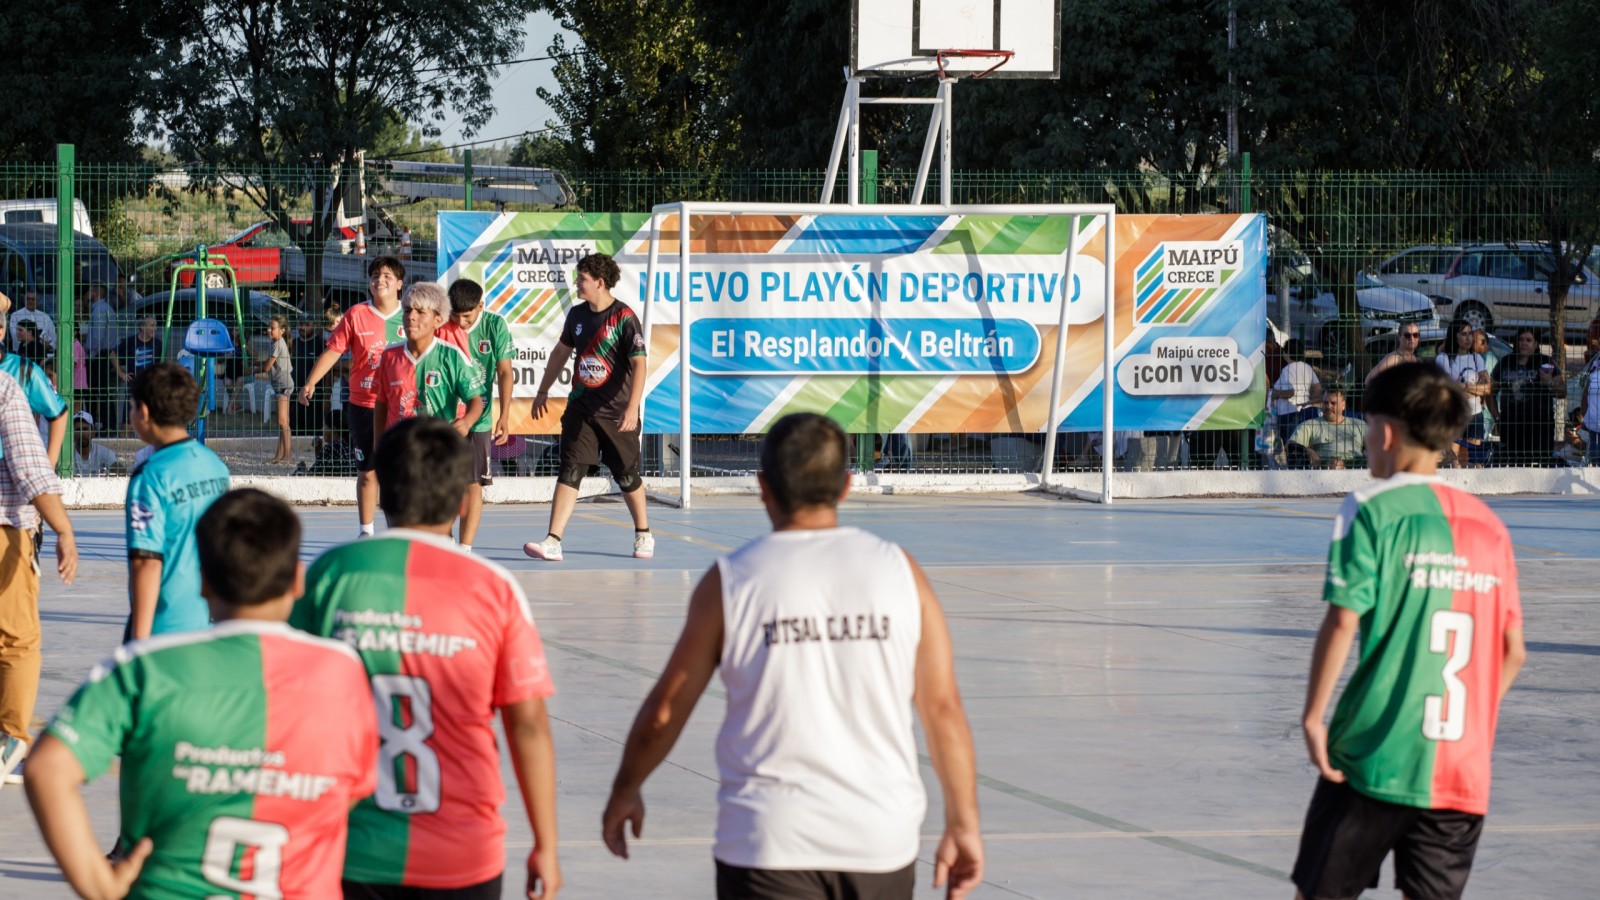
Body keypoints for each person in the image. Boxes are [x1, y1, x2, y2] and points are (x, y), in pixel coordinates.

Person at [602, 412, 984, 900]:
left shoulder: (733, 581)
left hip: (768, 845)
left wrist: (625, 789)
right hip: (879, 843)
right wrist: (964, 822)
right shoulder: (899, 571)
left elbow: (664, 711)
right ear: (845, 487)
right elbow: (943, 710)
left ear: (762, 487)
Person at [25, 488, 379, 898]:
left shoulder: (145, 668)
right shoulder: (342, 671)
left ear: (203, 580)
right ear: (297, 580)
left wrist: (99, 885)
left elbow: (46, 768)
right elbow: (355, 788)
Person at [291, 417, 561, 899]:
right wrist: (546, 842)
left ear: (380, 490)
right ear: (462, 501)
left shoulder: (329, 575)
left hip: (352, 850)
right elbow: (529, 726)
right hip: (465, 853)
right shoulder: (493, 590)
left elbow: (282, 703)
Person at [1293, 361, 1526, 900]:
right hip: (1460, 770)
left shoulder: (1372, 507)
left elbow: (1344, 617)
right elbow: (1513, 651)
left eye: (1368, 424)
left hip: (1375, 753)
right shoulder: (1491, 526)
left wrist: (1312, 717)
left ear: (1388, 432)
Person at [523, 253, 653, 562]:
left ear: (599, 282)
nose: (576, 283)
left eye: (581, 278)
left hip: (616, 412)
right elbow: (559, 353)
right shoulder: (577, 316)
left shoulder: (624, 318)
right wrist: (542, 390)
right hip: (581, 409)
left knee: (626, 476)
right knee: (570, 469)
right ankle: (553, 540)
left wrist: (632, 408)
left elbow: (640, 365)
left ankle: (643, 533)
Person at [0, 368, 78, 792]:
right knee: (17, 639)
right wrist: (64, 529)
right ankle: (9, 738)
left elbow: (59, 411)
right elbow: (29, 471)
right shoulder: (7, 385)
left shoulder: (25, 375)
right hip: (5, 524)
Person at [299, 256, 407, 538]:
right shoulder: (356, 314)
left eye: (386, 275)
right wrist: (311, 382)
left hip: (401, 405)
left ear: (399, 283)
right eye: (374, 275)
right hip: (364, 404)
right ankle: (366, 531)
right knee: (368, 471)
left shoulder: (411, 315)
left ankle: (402, 530)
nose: (379, 280)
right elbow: (334, 351)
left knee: (401, 472)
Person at [125, 362, 231, 641]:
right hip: (209, 620)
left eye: (132, 407)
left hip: (164, 624)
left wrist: (141, 641)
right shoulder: (215, 465)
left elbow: (146, 562)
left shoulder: (150, 476)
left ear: (144, 412)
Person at [437, 278, 516, 552]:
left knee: (473, 485)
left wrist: (504, 415)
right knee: (442, 482)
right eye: (455, 315)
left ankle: (465, 549)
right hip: (444, 417)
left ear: (480, 306)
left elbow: (505, 372)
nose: (460, 322)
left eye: (467, 316)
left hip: (478, 418)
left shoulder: (495, 326)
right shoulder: (439, 327)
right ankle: (444, 541)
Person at [372, 283, 483, 439]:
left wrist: (467, 421)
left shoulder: (452, 356)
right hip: (399, 449)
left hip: (439, 449)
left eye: (420, 312)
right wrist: (378, 445)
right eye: (407, 310)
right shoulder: (389, 356)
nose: (411, 316)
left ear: (437, 320)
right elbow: (381, 403)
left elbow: (475, 400)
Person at [0, 310, 68, 466]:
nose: (17, 333)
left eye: (21, 330)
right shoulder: (24, 348)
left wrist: (49, 464)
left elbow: (59, 412)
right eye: (16, 330)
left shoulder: (25, 368)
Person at [1490, 328, 1561, 467]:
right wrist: (1497, 418)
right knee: (1512, 467)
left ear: (1535, 344)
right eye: (1521, 339)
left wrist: (1550, 382)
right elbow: (1490, 393)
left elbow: (1562, 392)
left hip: (1540, 428)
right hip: (1511, 427)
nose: (1523, 343)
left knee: (1540, 467)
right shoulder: (1505, 362)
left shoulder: (1546, 362)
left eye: (1528, 340)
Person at [1435, 320, 1492, 467]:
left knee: (1474, 463)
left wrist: (1464, 386)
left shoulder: (1476, 358)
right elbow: (1448, 388)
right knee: (1453, 462)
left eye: (1469, 334)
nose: (1468, 338)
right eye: (1463, 334)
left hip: (1475, 414)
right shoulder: (1445, 358)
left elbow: (1487, 388)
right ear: (1454, 336)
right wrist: (1474, 388)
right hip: (1454, 414)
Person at [1287, 386, 1367, 469]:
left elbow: (1376, 445)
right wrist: (1306, 450)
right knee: (1335, 463)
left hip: (1356, 464)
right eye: (1325, 402)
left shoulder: (1359, 425)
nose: (1328, 406)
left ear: (1343, 405)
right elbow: (1289, 445)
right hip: (1326, 465)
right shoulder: (1310, 425)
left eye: (1333, 403)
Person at [1270, 339, 1323, 447]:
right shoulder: (1307, 367)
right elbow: (1318, 387)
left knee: (1292, 446)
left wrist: (1276, 394)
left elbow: (1290, 392)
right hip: (1307, 411)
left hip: (1289, 413)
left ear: (1286, 353)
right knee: (1306, 443)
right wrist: (1310, 401)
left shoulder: (1287, 370)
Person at [257, 316, 295, 463]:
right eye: (268, 327)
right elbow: (269, 362)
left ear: (282, 331)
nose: (268, 330)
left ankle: (288, 456)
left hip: (283, 385)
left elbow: (267, 367)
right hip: (280, 384)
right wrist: (256, 363)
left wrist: (252, 370)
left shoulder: (278, 344)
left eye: (272, 328)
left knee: (283, 421)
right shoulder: (277, 343)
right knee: (282, 421)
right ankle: (279, 455)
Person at [71, 411, 122, 476]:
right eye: (78, 430)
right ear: (72, 434)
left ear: (93, 432)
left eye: (85, 429)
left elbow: (120, 470)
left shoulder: (102, 452)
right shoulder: (67, 454)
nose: (82, 433)